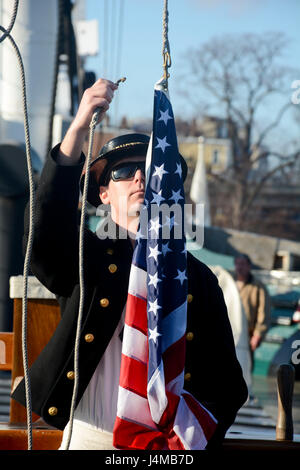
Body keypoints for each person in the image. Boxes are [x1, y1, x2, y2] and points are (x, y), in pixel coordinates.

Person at [12, 78, 248, 450]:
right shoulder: (86, 256)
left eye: (149, 169)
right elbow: (42, 233)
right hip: (88, 436)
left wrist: (184, 443)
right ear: (103, 194)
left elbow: (225, 386)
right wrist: (78, 125)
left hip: (164, 448)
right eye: (122, 172)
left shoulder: (198, 278)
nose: (139, 177)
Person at [234, 254, 271, 370]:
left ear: (249, 266)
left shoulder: (258, 286)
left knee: (245, 369)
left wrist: (258, 334)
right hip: (230, 332)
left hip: (247, 335)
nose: (240, 267)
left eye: (243, 264)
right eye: (238, 264)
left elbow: (263, 312)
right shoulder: (229, 284)